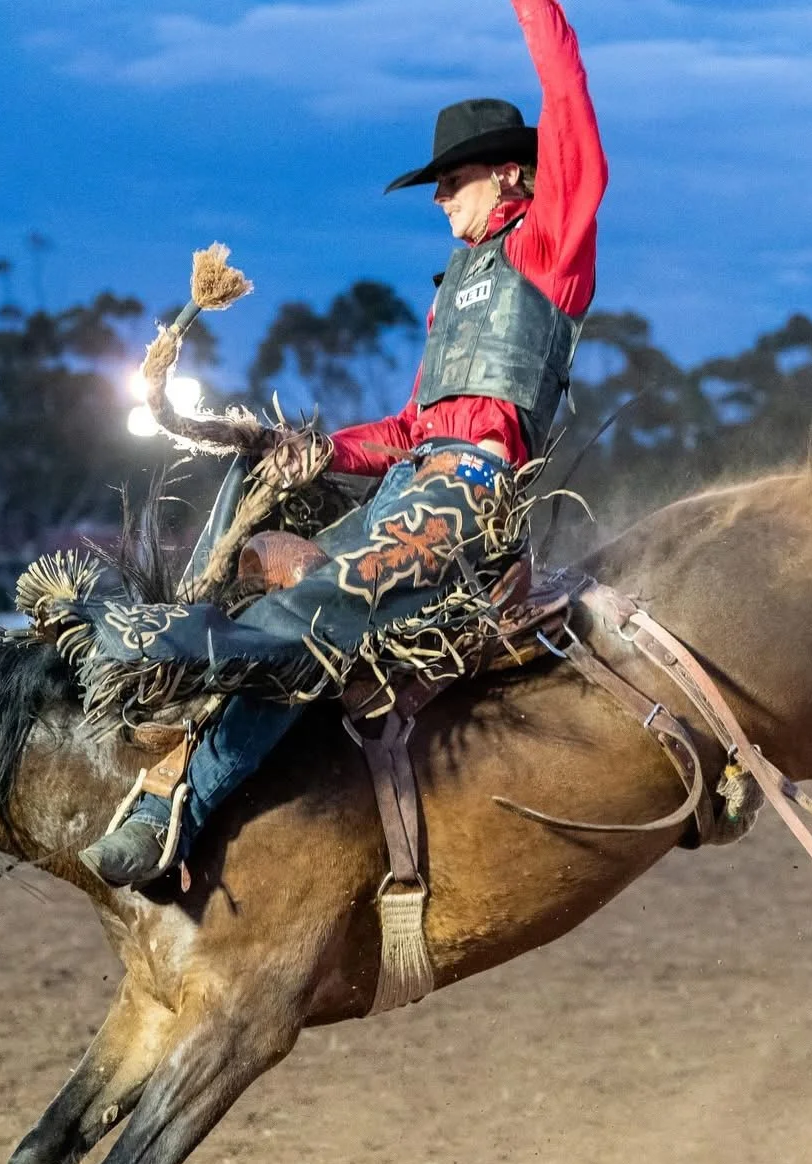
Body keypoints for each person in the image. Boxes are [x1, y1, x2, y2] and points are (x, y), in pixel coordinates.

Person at [82, 0, 606, 887]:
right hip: (409, 488)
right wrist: (312, 449)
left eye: (453, 179)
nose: (439, 197)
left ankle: (179, 766)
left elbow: (567, 93)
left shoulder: (551, 242)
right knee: (259, 556)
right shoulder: (454, 293)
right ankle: (175, 732)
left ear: (514, 178)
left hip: (471, 503)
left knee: (318, 612)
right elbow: (409, 429)